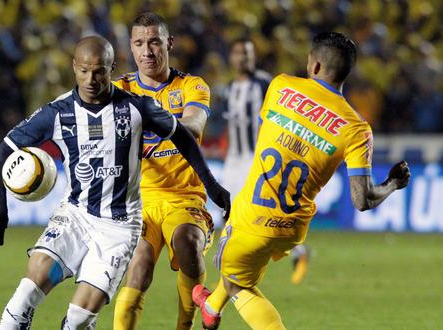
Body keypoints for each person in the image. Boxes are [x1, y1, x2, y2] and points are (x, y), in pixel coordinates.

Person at [0, 36, 230, 330]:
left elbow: (183, 137)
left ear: (111, 69)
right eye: (84, 71)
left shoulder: (137, 108)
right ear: (74, 67)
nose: (91, 79)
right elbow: (2, 152)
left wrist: (211, 186)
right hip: (75, 216)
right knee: (21, 301)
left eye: (98, 71)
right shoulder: (57, 112)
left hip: (119, 228)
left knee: (77, 322)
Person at [192, 32, 411, 329]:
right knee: (236, 275)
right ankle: (210, 305)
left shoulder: (281, 86)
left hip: (253, 215)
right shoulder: (357, 129)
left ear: (315, 66)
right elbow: (362, 200)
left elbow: (264, 135)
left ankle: (212, 308)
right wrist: (393, 184)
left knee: (238, 285)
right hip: (293, 228)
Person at [112, 12, 218, 330]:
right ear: (130, 47)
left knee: (188, 243)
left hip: (184, 196)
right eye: (140, 43)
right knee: (139, 267)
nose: (147, 51)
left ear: (168, 43)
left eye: (155, 42)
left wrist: (148, 119)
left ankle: (185, 325)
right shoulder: (118, 89)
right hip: (138, 201)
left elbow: (195, 126)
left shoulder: (191, 86)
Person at [223, 39, 309, 285]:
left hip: (257, 158)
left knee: (263, 215)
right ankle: (237, 265)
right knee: (230, 214)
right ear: (231, 57)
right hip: (233, 160)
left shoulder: (264, 84)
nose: (243, 59)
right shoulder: (229, 87)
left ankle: (295, 253)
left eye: (247, 54)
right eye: (239, 53)